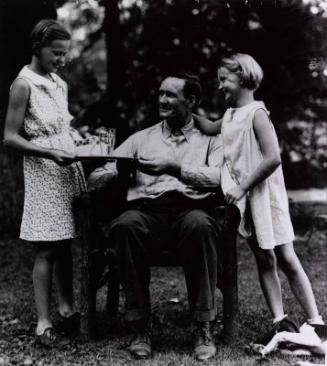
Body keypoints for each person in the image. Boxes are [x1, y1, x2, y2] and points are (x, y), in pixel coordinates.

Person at [88, 73, 223, 361]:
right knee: (125, 226)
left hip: (191, 210)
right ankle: (140, 326)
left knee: (200, 226)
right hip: (147, 213)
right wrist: (118, 172)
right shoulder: (142, 138)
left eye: (171, 95)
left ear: (192, 100)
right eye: (161, 93)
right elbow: (96, 178)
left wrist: (176, 168)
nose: (162, 100)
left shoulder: (210, 140)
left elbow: (221, 178)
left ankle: (202, 326)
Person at [196, 53, 324, 344]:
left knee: (286, 257)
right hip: (248, 202)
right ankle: (281, 322)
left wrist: (241, 188)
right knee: (263, 259)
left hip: (265, 196)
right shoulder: (229, 115)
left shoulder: (257, 113)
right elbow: (208, 127)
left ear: (242, 77)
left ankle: (316, 322)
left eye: (224, 79)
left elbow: (273, 159)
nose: (220, 86)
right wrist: (185, 111)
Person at [3, 19, 86, 347]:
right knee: (47, 246)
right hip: (43, 169)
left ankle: (67, 310)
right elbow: (9, 137)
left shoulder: (59, 83)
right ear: (37, 47)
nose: (62, 60)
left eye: (65, 54)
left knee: (65, 241)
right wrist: (49, 152)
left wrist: (80, 139)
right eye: (57, 53)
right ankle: (43, 323)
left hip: (67, 167)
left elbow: (63, 127)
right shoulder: (23, 84)